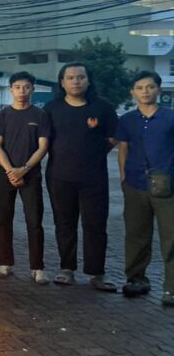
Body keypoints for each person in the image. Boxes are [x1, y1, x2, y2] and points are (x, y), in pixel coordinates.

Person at [45, 62, 117, 291]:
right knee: (64, 223)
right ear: (62, 82)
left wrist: (93, 153)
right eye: (70, 77)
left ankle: (96, 273)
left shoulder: (103, 107)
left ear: (88, 80)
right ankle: (67, 268)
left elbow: (113, 138)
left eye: (80, 77)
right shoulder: (52, 108)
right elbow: (44, 141)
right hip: (59, 176)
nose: (76, 81)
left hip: (94, 178)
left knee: (95, 224)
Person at [116, 71, 174, 306]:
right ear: (133, 92)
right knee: (136, 235)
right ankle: (136, 279)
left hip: (167, 185)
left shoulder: (170, 118)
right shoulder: (127, 120)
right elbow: (123, 149)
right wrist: (123, 178)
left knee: (171, 236)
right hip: (135, 184)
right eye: (139, 88)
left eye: (150, 87)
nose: (145, 92)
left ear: (158, 89)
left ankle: (171, 288)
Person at [0, 72, 50, 284]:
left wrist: (23, 170)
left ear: (32, 89)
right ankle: (5, 263)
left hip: (31, 175)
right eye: (17, 87)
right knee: (3, 220)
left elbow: (43, 147)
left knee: (34, 221)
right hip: (5, 174)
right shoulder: (2, 115)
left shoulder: (40, 115)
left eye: (26, 87)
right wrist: (11, 171)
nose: (22, 91)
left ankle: (37, 268)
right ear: (11, 90)